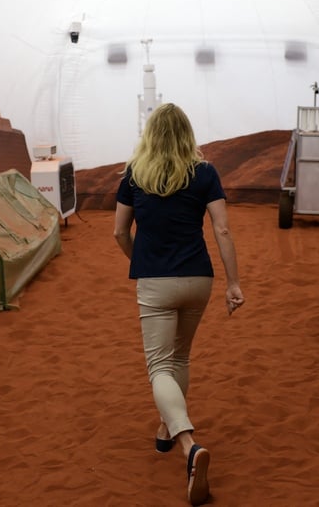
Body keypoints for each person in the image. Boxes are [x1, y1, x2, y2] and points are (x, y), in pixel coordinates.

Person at [113, 102, 245, 506]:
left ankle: (188, 444)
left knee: (158, 366)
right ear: (187, 134)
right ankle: (165, 428)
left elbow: (119, 232)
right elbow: (221, 228)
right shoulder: (204, 173)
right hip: (199, 279)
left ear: (150, 134)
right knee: (180, 358)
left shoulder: (134, 173)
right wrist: (233, 283)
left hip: (155, 281)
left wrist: (142, 259)